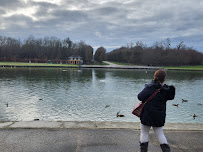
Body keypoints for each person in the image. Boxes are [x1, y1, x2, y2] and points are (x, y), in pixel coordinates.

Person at [138, 69, 175, 152]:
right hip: (159, 116)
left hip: (147, 115)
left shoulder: (150, 87)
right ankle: (166, 150)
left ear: (154, 77)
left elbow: (140, 97)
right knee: (160, 134)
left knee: (144, 133)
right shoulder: (166, 90)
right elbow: (171, 96)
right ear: (164, 79)